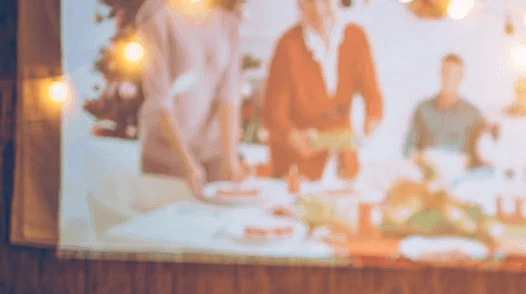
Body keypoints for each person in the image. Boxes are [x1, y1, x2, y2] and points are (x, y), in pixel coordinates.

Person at [263, 0, 383, 182]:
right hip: (297, 168)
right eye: (310, 2)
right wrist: (294, 136)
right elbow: (273, 114)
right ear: (300, 5)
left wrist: (370, 121)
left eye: (326, 1)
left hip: (343, 164)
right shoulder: (288, 45)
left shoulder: (356, 37)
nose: (318, 10)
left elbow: (372, 94)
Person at [136, 0, 247, 196]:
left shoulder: (229, 23)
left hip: (212, 156)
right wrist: (189, 166)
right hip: (168, 157)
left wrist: (230, 159)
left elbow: (229, 96)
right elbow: (160, 102)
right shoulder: (157, 16)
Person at [404, 54, 489, 177]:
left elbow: (484, 152)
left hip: (459, 177)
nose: (449, 79)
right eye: (446, 73)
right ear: (440, 74)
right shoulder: (423, 109)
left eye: (454, 75)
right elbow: (408, 148)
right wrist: (420, 159)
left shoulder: (473, 114)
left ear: (461, 77)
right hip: (426, 174)